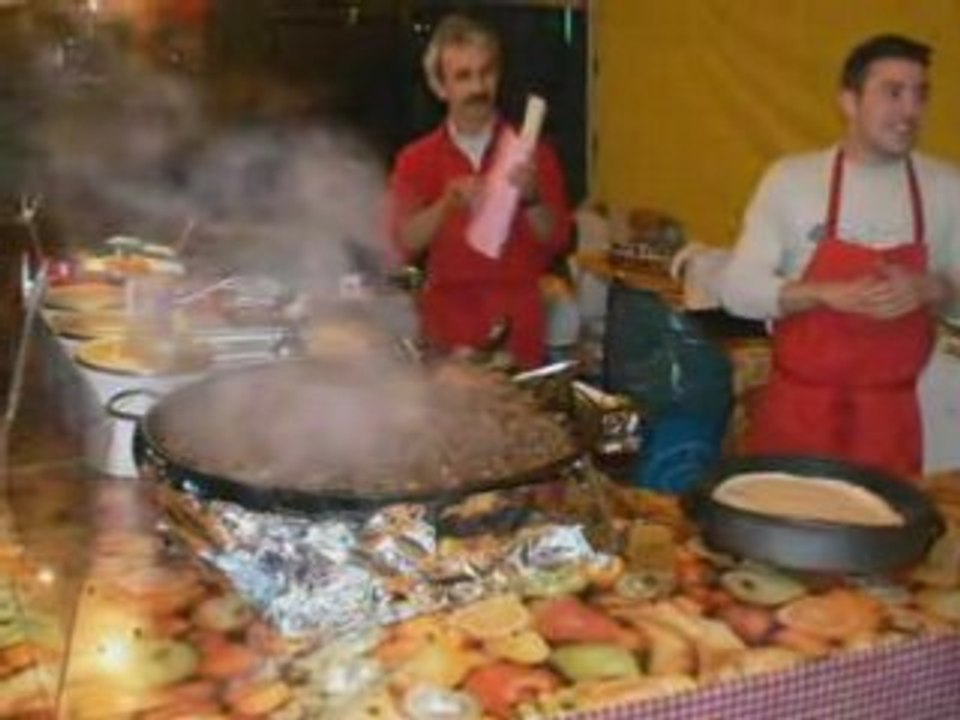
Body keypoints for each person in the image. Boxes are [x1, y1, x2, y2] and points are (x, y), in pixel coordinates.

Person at [721, 33, 960, 479]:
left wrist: (931, 286)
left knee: (882, 543)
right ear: (849, 101)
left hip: (889, 423)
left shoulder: (946, 187)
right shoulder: (792, 180)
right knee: (785, 543)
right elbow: (738, 290)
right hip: (799, 416)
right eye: (893, 92)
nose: (910, 110)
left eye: (919, 94)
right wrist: (826, 294)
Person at [388, 13, 571, 368]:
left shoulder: (533, 152)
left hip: (518, 329)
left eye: (486, 72)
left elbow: (557, 240)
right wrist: (445, 205)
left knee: (515, 423)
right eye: (463, 76)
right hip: (447, 328)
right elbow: (403, 242)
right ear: (440, 87)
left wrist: (532, 198)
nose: (477, 87)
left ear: (498, 76)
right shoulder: (416, 159)